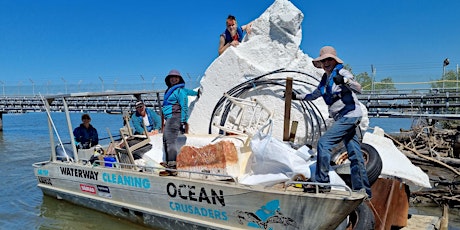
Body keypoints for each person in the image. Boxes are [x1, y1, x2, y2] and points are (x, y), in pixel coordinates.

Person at [292, 46, 372, 198]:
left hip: (350, 115)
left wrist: (345, 81)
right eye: (323, 60)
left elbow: (359, 88)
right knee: (355, 154)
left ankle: (323, 184)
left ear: (334, 61)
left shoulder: (342, 72)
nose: (326, 63)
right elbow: (313, 95)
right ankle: (362, 191)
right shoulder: (324, 80)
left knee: (323, 143)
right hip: (342, 118)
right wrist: (296, 97)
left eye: (329, 59)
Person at [160, 69, 199, 176]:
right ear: (168, 80)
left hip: (174, 118)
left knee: (170, 142)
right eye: (171, 77)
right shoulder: (172, 90)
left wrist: (183, 122)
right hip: (169, 119)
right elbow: (190, 92)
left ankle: (172, 167)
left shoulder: (179, 91)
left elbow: (184, 107)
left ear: (179, 79)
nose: (173, 79)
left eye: (176, 77)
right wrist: (197, 92)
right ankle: (168, 163)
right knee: (165, 140)